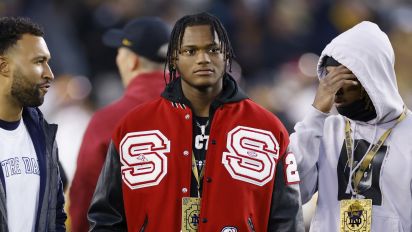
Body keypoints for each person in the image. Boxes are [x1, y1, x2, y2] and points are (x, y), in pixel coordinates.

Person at [88, 12, 304, 231]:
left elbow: (286, 218)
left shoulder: (267, 127)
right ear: (174, 58)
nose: (203, 59)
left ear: (226, 54)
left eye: (213, 49)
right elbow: (107, 216)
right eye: (190, 51)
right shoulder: (134, 126)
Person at [290, 21, 412, 231]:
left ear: (372, 78)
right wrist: (316, 113)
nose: (334, 89)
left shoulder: (408, 133)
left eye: (343, 77)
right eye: (328, 77)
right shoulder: (324, 130)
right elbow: (292, 193)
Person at [69, 17, 170, 232]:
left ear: (131, 61)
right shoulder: (205, 110)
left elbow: (86, 192)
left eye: (119, 52)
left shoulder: (109, 120)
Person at [0, 17, 66, 231]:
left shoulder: (44, 135)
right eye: (39, 62)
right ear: (4, 66)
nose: (50, 73)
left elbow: (56, 216)